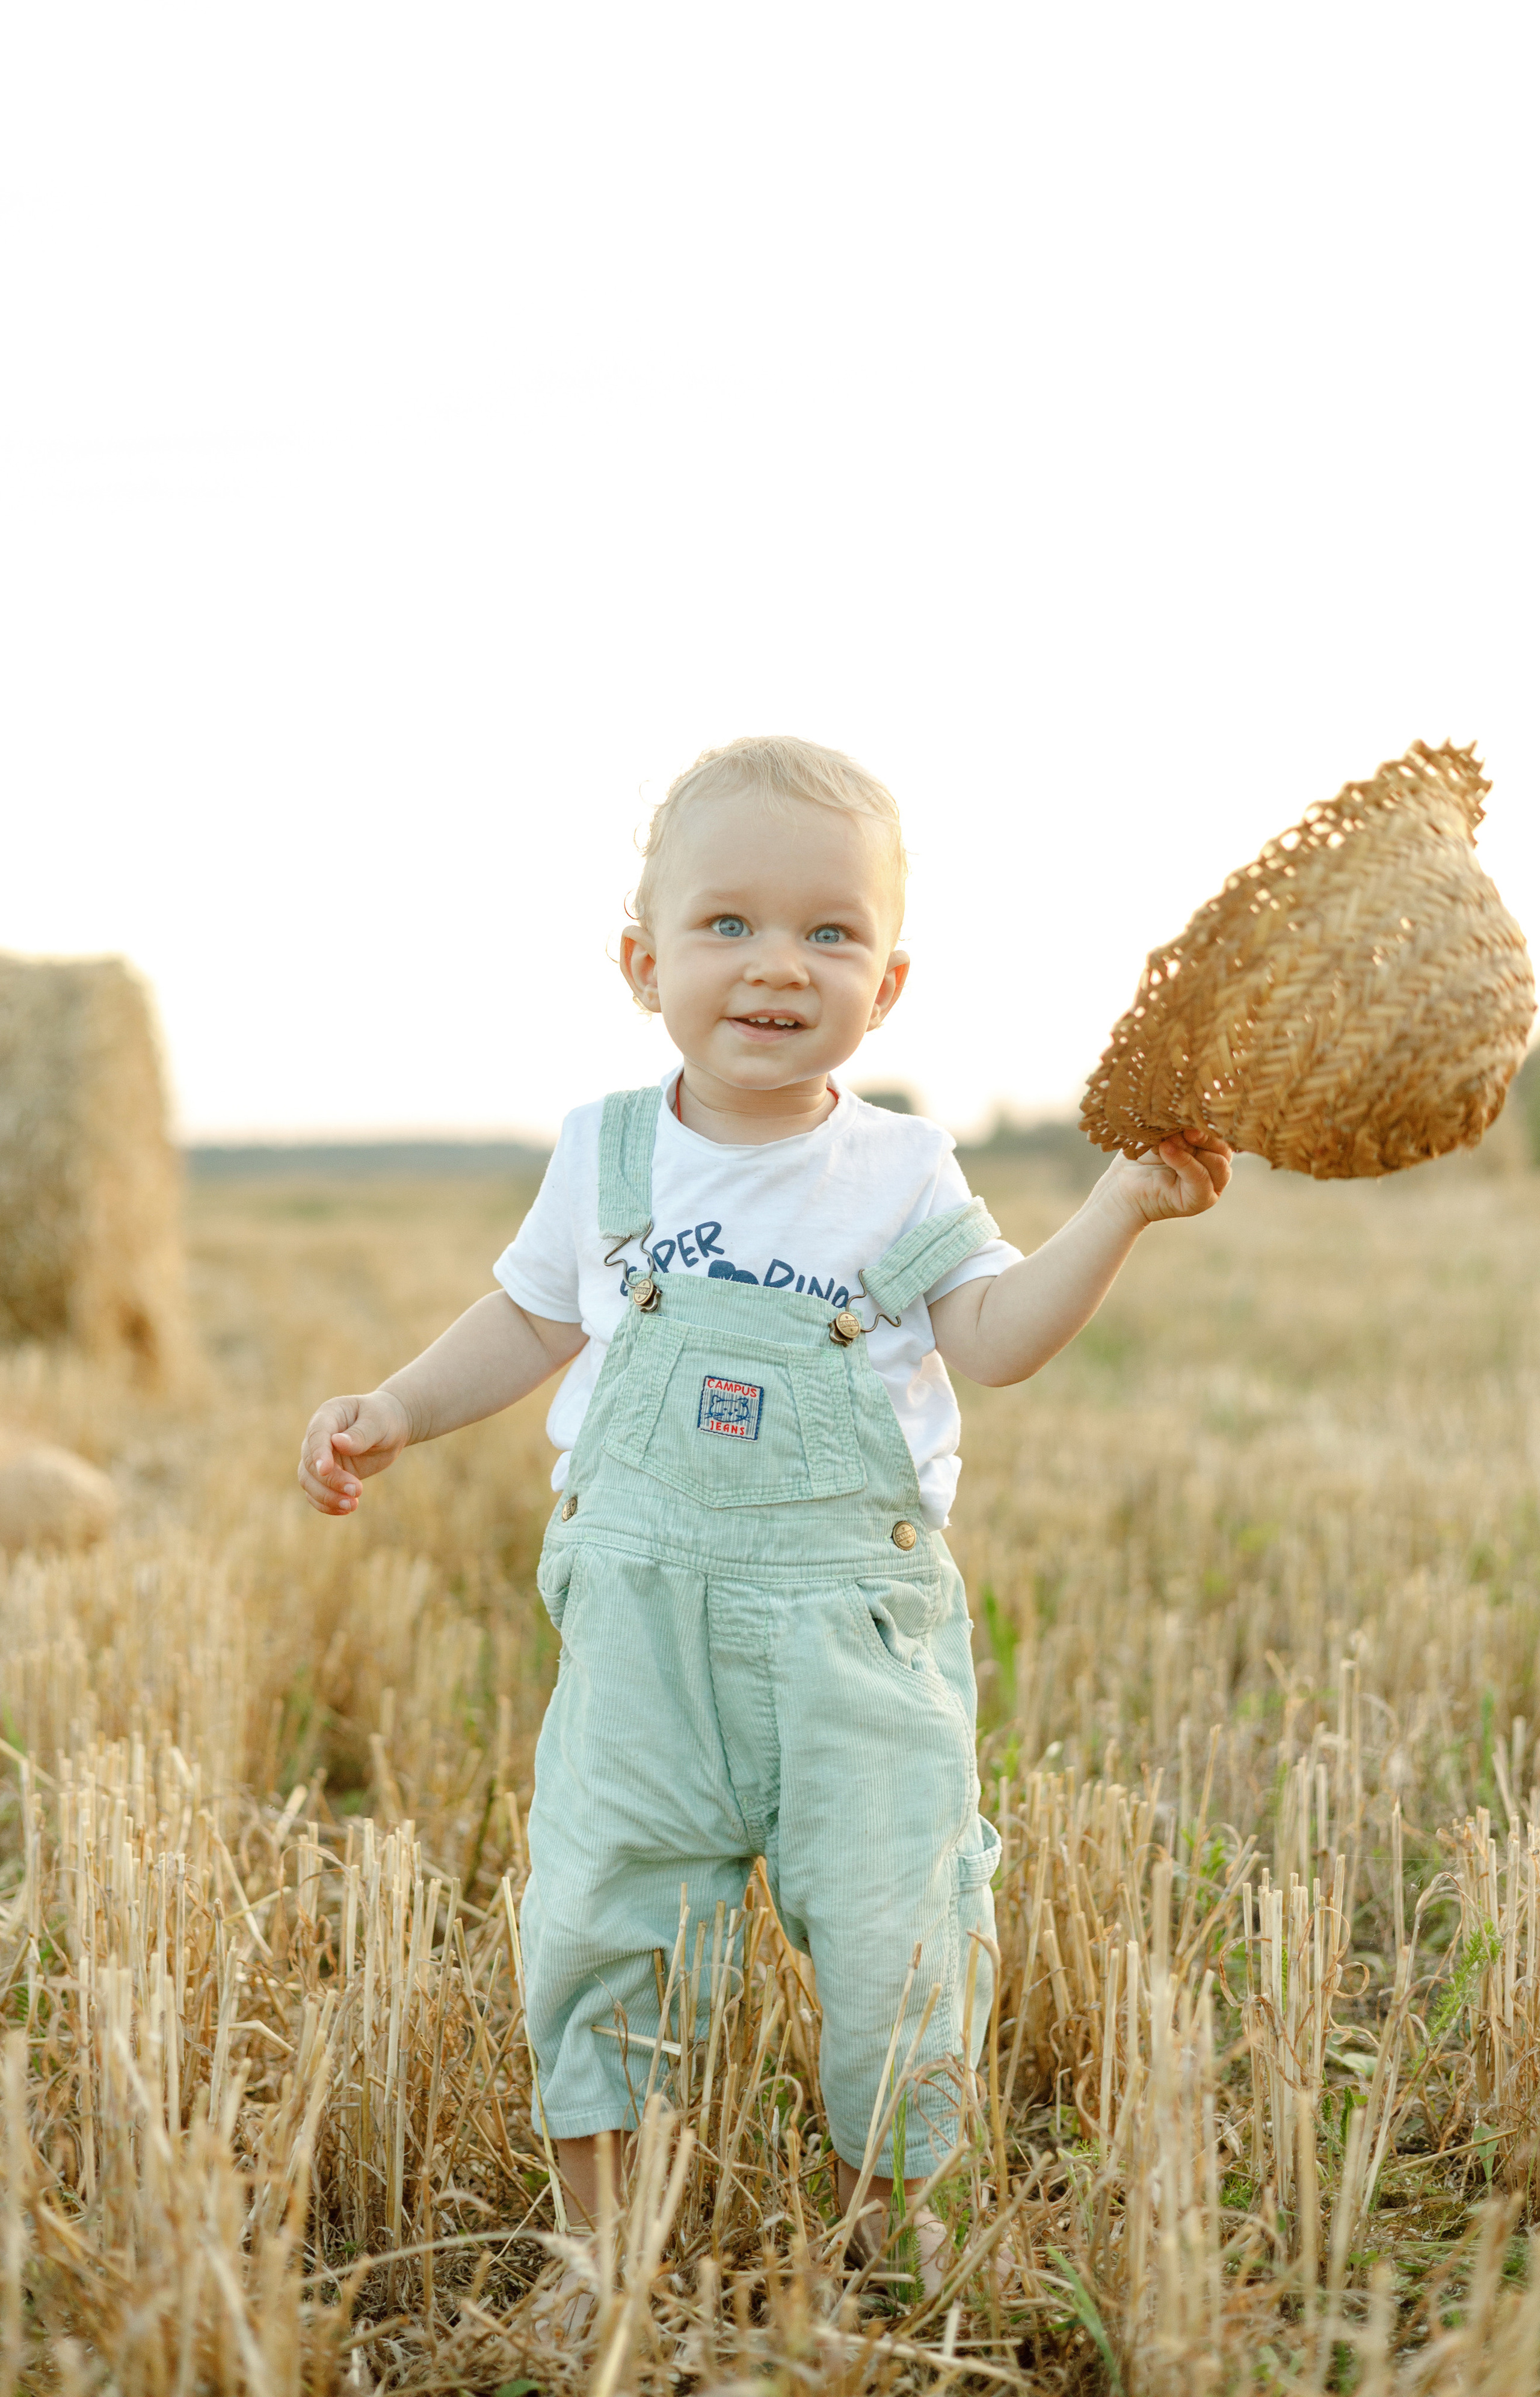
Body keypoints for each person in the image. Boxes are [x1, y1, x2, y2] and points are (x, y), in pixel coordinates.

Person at [298, 735, 1231, 2299]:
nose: (777, 966)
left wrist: (1120, 1205)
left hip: (851, 1638)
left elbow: (992, 1341)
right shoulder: (606, 1154)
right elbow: (531, 1325)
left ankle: (892, 2227)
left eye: (830, 931)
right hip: (644, 1625)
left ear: (893, 981)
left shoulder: (901, 1172)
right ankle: (604, 2241)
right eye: (727, 924)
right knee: (604, 1903)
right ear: (639, 958)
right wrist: (393, 1408)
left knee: (898, 1926)